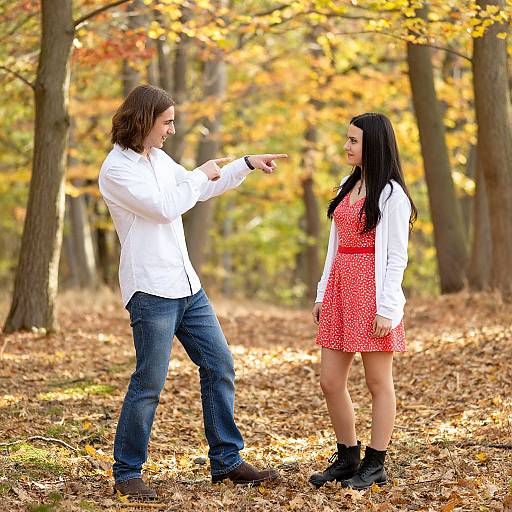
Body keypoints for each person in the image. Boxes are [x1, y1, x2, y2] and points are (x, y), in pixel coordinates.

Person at [98, 84, 287, 500]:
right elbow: (166, 205)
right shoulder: (117, 170)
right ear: (144, 120)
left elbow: (196, 189)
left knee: (219, 365)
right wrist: (200, 172)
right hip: (151, 289)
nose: (171, 129)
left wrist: (244, 165)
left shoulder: (159, 159)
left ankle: (227, 462)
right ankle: (127, 472)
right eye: (166, 122)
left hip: (187, 286)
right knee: (149, 382)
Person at [308, 113, 417, 490]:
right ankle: (347, 457)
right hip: (340, 289)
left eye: (353, 140)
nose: (346, 146)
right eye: (347, 139)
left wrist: (388, 308)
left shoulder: (391, 194)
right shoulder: (346, 184)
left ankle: (375, 463)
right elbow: (333, 246)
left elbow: (397, 257)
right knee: (330, 381)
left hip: (373, 296)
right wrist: (323, 292)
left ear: (372, 144)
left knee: (377, 381)